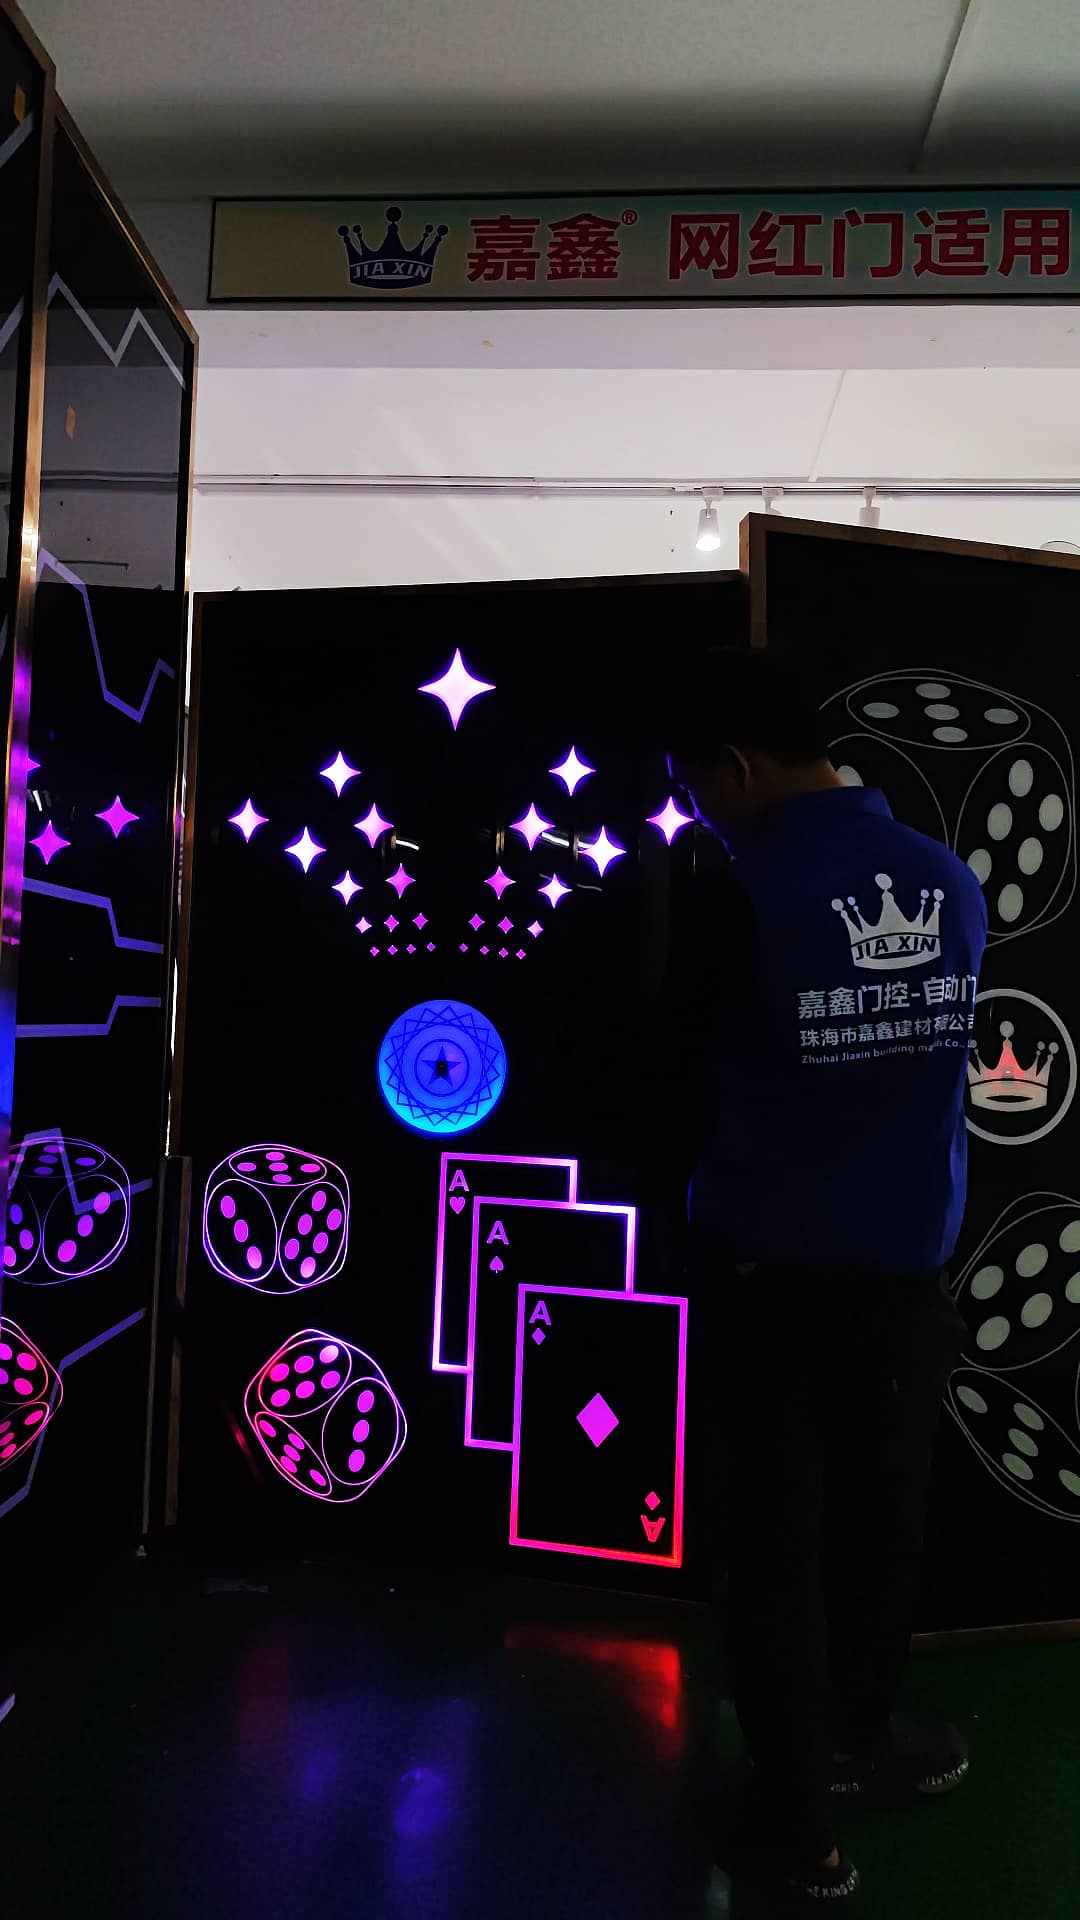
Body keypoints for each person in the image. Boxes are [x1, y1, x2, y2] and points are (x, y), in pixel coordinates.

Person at [661, 648, 987, 1906]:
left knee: (773, 1551)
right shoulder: (949, 880)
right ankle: (864, 1739)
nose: (699, 812)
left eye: (696, 787)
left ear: (735, 768)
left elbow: (674, 1088)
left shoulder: (737, 896)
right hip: (909, 1270)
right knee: (879, 1524)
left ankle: (798, 1833)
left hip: (770, 1275)